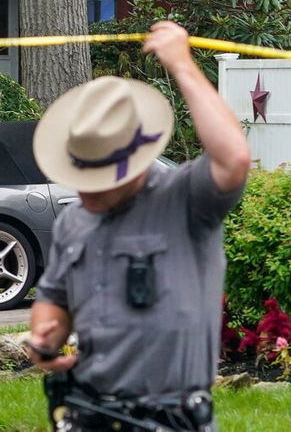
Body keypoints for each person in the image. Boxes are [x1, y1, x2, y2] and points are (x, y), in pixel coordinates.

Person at [26, 21, 251, 431]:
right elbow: (54, 297)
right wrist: (45, 335)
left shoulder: (186, 200)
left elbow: (233, 159)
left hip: (170, 417)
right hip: (88, 413)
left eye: (103, 178)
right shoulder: (73, 222)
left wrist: (182, 64)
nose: (87, 192)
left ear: (138, 162)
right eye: (82, 176)